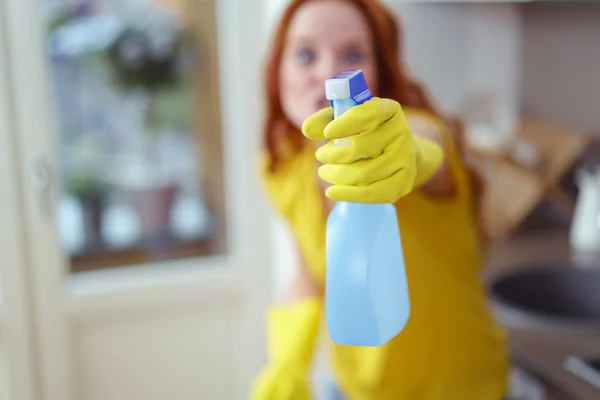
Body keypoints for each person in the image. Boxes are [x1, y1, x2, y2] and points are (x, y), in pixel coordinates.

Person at [251, 0, 511, 399]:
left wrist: (409, 151)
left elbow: (425, 143)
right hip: (352, 388)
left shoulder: (407, 136)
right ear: (277, 70)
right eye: (305, 54)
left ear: (380, 73)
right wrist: (286, 364)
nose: (325, 74)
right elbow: (309, 273)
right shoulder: (282, 171)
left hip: (458, 387)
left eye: (353, 54)